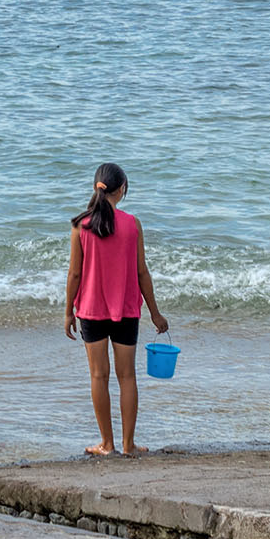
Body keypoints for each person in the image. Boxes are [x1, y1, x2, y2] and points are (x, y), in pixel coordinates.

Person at [63, 162, 169, 456]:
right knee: (127, 377)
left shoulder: (80, 226)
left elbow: (74, 275)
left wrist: (68, 312)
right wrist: (155, 313)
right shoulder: (132, 224)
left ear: (96, 188)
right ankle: (128, 445)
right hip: (126, 311)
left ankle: (106, 445)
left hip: (91, 312)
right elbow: (142, 273)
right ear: (121, 189)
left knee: (99, 376)